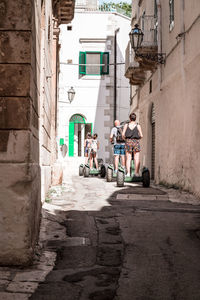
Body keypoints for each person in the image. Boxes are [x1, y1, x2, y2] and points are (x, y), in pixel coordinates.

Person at [122, 113, 143, 177]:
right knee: (137, 158)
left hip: (128, 141)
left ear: (130, 118)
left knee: (128, 158)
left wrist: (125, 139)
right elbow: (141, 135)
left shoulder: (126, 125)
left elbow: (123, 134)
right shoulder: (138, 126)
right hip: (136, 141)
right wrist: (137, 138)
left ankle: (128, 173)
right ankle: (136, 173)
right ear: (135, 118)